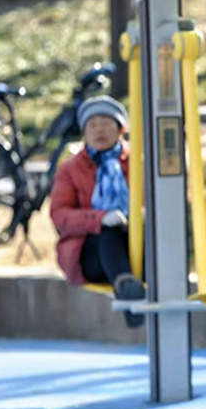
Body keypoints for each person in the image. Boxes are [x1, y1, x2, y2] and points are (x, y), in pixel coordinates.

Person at [50, 95, 145, 329]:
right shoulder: (70, 169)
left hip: (136, 240)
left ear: (121, 129)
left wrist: (140, 216)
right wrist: (100, 219)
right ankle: (127, 289)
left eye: (106, 124)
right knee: (108, 232)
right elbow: (59, 215)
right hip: (91, 252)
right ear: (84, 132)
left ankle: (138, 287)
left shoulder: (139, 162)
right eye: (92, 125)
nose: (99, 130)